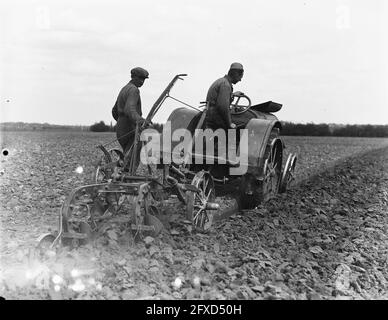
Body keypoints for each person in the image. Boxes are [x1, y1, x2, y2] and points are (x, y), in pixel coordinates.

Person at [204, 63, 244, 177]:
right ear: (236, 73)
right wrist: (229, 123)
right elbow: (222, 107)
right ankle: (229, 169)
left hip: (210, 115)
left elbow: (221, 100)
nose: (240, 80)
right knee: (238, 131)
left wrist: (233, 95)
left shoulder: (222, 82)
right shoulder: (226, 85)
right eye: (240, 76)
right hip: (216, 117)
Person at [112, 67, 149, 154]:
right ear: (133, 77)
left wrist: (121, 122)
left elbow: (114, 111)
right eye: (140, 78)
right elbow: (129, 109)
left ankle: (124, 166)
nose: (142, 81)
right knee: (131, 160)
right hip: (130, 129)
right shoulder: (134, 90)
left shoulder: (124, 89)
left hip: (120, 129)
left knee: (127, 155)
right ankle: (127, 168)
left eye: (144, 79)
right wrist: (140, 120)